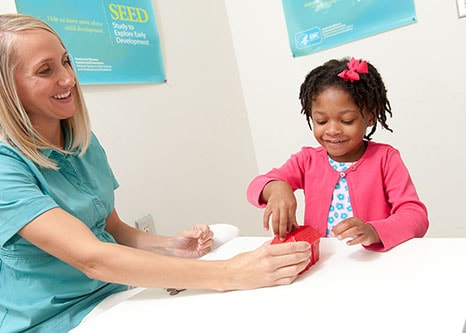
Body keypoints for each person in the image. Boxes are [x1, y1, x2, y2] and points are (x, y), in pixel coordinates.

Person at [0, 13, 311, 332]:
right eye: (45, 70)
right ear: (8, 88)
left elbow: (112, 229)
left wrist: (169, 246)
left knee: (226, 232)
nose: (68, 79)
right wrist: (230, 273)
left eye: (66, 62)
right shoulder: (5, 168)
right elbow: (92, 258)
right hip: (60, 318)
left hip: (112, 292)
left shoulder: (81, 141)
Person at [247, 57, 429, 251]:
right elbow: (255, 186)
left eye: (347, 120)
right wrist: (277, 188)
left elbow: (415, 215)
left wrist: (374, 231)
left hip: (373, 262)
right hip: (323, 262)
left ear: (370, 117)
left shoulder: (385, 159)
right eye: (321, 121)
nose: (332, 130)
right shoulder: (306, 160)